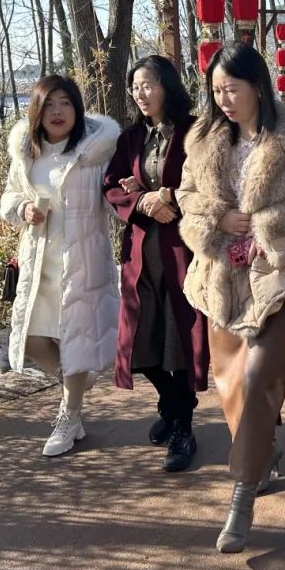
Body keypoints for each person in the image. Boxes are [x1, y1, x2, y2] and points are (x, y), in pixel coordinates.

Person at [177, 41, 285, 553]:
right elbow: (185, 195)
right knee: (231, 387)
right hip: (222, 276)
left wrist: (267, 227)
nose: (223, 100)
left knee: (260, 377)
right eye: (216, 90)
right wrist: (217, 219)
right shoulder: (204, 138)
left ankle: (242, 497)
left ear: (258, 87)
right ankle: (262, 452)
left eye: (232, 89)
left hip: (279, 275)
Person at [0, 75, 121, 456]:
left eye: (65, 103)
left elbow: (115, 197)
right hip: (40, 265)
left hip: (82, 262)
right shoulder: (27, 154)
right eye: (49, 104)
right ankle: (74, 387)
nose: (57, 112)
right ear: (37, 111)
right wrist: (23, 208)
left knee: (77, 341)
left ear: (77, 109)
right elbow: (9, 198)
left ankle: (69, 416)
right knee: (32, 339)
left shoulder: (94, 152)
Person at [103, 55, 209, 472]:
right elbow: (112, 186)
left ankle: (183, 426)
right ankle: (171, 404)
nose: (140, 94)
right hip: (141, 252)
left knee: (180, 339)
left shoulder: (195, 131)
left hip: (183, 250)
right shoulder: (131, 138)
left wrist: (168, 198)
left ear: (167, 85)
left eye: (147, 84)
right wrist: (142, 201)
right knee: (140, 340)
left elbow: (207, 184)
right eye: (135, 87)